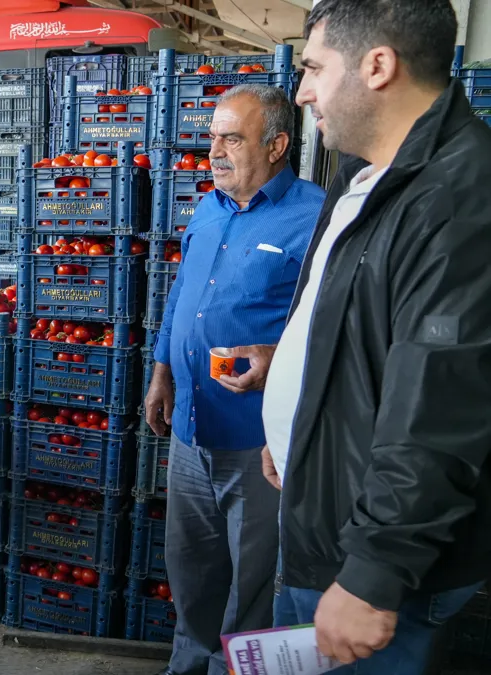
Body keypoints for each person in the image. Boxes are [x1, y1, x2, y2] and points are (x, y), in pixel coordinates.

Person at [261, 0, 491, 669]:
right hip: (323, 516)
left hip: (373, 564)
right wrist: (298, 429)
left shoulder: (458, 198)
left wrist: (373, 572)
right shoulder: (363, 175)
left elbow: (439, 406)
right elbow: (350, 327)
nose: (301, 92)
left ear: (378, 65)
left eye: (313, 68)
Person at [144, 84, 326, 675]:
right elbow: (182, 295)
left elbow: (336, 324)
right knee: (191, 570)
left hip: (258, 441)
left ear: (276, 145)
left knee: (251, 583)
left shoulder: (315, 218)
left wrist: (279, 354)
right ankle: (188, 666)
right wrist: (163, 371)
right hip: (192, 428)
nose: (214, 152)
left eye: (232, 139)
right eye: (212, 138)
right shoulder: (208, 208)